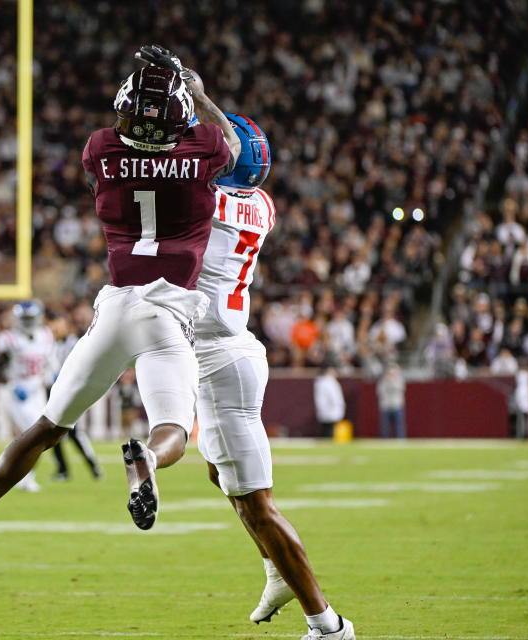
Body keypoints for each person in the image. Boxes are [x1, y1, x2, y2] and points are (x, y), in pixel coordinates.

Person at [0, 44, 239, 580]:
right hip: (167, 313)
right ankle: (148, 460)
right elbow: (230, 142)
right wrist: (195, 87)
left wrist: (148, 100)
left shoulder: (101, 150)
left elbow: (128, 136)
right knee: (173, 431)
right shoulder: (205, 145)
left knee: (47, 427)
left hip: (115, 306)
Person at [192, 114, 354, 638]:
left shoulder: (208, 200)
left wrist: (193, 99)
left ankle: (328, 625)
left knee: (256, 503)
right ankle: (273, 568)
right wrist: (202, 98)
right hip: (223, 353)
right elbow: (233, 153)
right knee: (222, 475)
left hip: (220, 356)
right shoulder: (260, 205)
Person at [0, 300, 60, 491]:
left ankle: (24, 477)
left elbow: (51, 362)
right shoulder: (8, 339)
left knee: (39, 439)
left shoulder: (45, 336)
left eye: (31, 318)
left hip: (38, 391)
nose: (28, 323)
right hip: (18, 392)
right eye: (25, 319)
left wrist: (54, 375)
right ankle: (23, 477)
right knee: (34, 436)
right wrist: (11, 383)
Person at [46, 312, 103, 481]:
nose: (54, 329)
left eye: (58, 325)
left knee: (74, 433)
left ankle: (93, 465)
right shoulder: (50, 345)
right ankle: (62, 469)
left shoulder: (74, 342)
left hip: (70, 391)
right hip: (53, 392)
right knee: (52, 432)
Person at [376, 362, 406, 439]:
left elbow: (400, 389)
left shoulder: (399, 380)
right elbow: (380, 391)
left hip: (397, 406)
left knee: (399, 425)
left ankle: (400, 440)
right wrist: (388, 381)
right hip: (386, 406)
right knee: (385, 426)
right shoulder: (383, 381)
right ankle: (385, 440)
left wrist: (391, 382)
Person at [313, 366, 345, 438]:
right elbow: (334, 397)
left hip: (325, 411)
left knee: (326, 430)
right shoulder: (329, 382)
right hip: (330, 410)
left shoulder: (320, 382)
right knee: (329, 432)